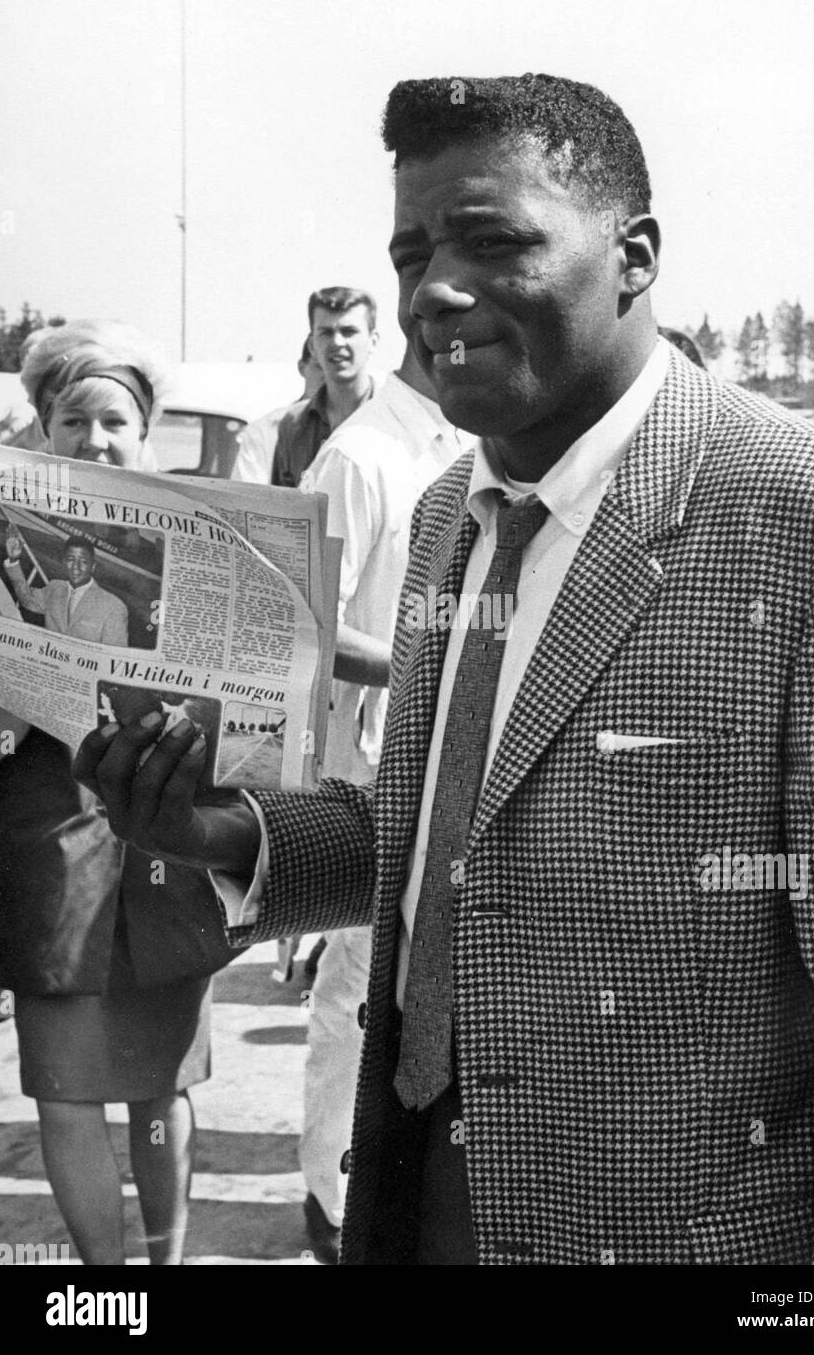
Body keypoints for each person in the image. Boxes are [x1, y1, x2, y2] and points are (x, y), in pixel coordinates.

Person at [76, 74, 814, 1266]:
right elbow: (438, 841)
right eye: (412, 251)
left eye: (490, 240)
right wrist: (225, 832)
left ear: (632, 257)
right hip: (418, 1190)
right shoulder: (445, 520)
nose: (434, 293)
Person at [0, 319, 234, 1266]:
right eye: (71, 421)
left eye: (116, 423)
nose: (94, 441)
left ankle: (162, 1277)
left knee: (160, 1078)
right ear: (42, 432)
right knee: (65, 1082)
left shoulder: (198, 534)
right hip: (46, 827)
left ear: (147, 433)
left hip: (163, 833)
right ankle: (106, 1291)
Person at [297, 343, 471, 1262]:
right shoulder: (364, 455)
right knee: (357, 989)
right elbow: (302, 614)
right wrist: (426, 670)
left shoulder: (461, 442)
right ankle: (330, 1195)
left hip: (445, 754)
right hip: (371, 765)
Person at [232, 287, 378, 488]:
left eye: (349, 331)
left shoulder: (392, 421)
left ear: (373, 341)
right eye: (326, 332)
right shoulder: (292, 425)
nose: (337, 342)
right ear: (312, 346)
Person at [3, 534, 129, 647]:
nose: (76, 567)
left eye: (83, 562)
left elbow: (111, 657)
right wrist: (13, 560)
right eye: (71, 560)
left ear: (93, 566)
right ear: (63, 562)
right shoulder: (54, 588)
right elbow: (27, 599)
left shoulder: (114, 607)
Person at [230, 337, 325, 485]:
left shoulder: (359, 429)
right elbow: (247, 502)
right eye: (319, 366)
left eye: (334, 366)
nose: (328, 375)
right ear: (302, 368)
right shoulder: (263, 432)